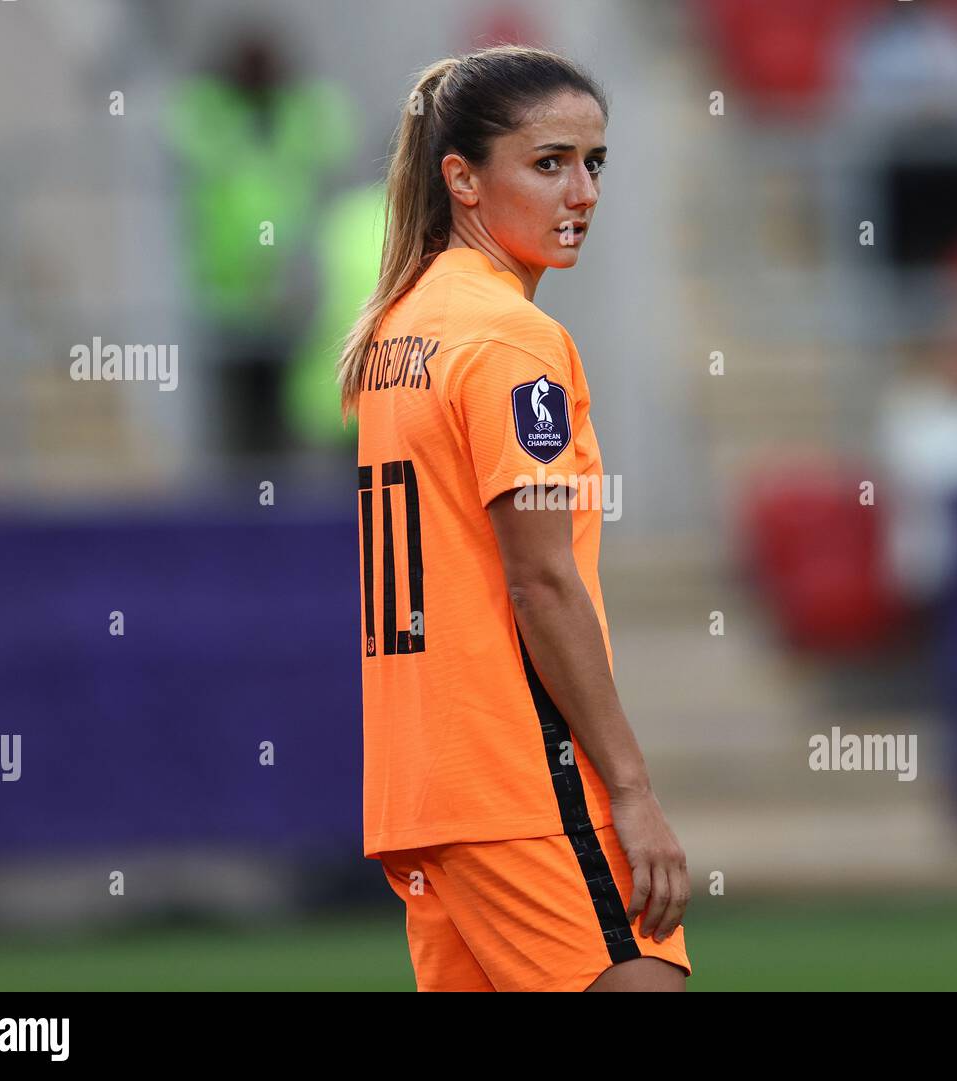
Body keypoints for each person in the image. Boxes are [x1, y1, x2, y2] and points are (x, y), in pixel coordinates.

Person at [338, 45, 690, 992]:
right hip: (520, 778)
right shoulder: (511, 338)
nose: (582, 191)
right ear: (462, 178)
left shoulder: (400, 327)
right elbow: (539, 580)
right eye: (549, 163)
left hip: (423, 791)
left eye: (595, 162)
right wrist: (630, 788)